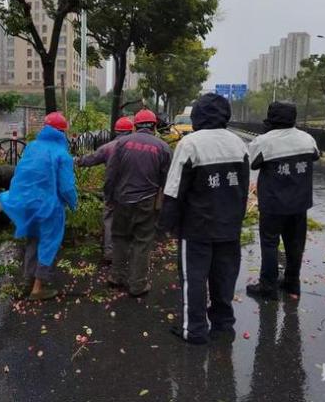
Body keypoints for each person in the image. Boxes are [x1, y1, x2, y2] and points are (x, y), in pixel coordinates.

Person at [160, 94, 249, 345]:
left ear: (197, 116)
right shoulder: (238, 143)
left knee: (194, 278)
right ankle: (223, 324)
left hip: (196, 227)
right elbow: (242, 188)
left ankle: (195, 329)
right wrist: (237, 219)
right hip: (229, 225)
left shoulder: (190, 144)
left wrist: (166, 226)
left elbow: (174, 189)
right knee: (224, 276)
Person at [0, 111, 77, 301]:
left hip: (27, 202)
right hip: (49, 206)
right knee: (49, 242)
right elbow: (66, 186)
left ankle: (27, 280)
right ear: (62, 132)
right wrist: (74, 203)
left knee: (33, 240)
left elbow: (22, 172)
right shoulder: (62, 154)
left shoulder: (32, 146)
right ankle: (38, 288)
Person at [245, 102, 319, 301]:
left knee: (270, 244)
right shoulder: (307, 139)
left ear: (270, 119)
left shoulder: (264, 141)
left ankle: (268, 287)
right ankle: (292, 283)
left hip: (273, 204)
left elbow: (252, 163)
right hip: (299, 203)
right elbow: (315, 156)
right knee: (295, 245)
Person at [105, 109, 172, 297]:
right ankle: (137, 285)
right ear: (154, 126)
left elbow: (110, 175)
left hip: (121, 200)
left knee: (119, 238)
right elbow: (167, 181)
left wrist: (109, 198)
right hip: (146, 203)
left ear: (135, 125)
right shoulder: (163, 148)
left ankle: (116, 277)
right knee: (142, 243)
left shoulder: (121, 144)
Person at [74, 117, 134, 263]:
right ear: (131, 130)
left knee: (110, 220)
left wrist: (76, 161)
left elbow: (91, 159)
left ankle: (109, 253)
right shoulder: (137, 146)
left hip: (113, 191)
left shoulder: (109, 147)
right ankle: (130, 253)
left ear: (116, 131)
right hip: (134, 193)